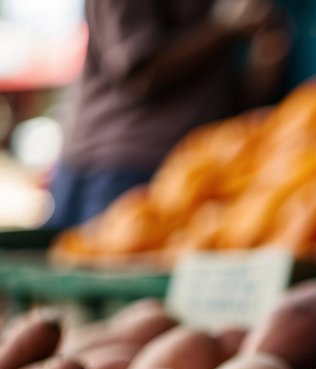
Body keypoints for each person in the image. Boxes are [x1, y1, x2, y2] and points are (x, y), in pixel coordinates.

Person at [46, 0, 291, 229]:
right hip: (119, 169)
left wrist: (266, 53)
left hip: (194, 172)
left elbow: (235, 100)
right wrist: (224, 27)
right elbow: (138, 72)